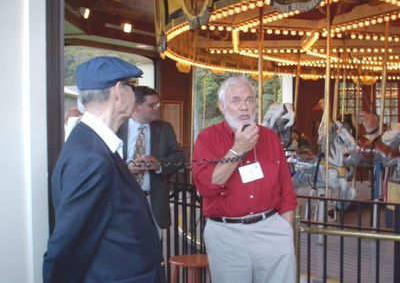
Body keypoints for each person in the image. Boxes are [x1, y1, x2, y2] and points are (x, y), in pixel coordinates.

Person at [43, 56, 165, 283]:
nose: (132, 93)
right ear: (119, 92)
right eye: (131, 86)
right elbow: (67, 247)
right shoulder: (91, 157)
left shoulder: (93, 144)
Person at [192, 77, 297, 283]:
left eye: (249, 100)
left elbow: (286, 190)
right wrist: (238, 149)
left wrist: (285, 230)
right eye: (236, 100)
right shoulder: (208, 138)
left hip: (271, 229)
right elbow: (206, 186)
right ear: (222, 106)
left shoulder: (270, 137)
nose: (244, 107)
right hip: (227, 233)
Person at [118, 86, 185, 232]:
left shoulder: (164, 128)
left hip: (152, 201)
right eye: (151, 105)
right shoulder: (117, 128)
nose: (156, 108)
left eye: (157, 104)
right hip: (122, 200)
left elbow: (179, 157)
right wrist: (127, 168)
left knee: (154, 247)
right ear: (136, 107)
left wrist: (158, 164)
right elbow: (104, 161)